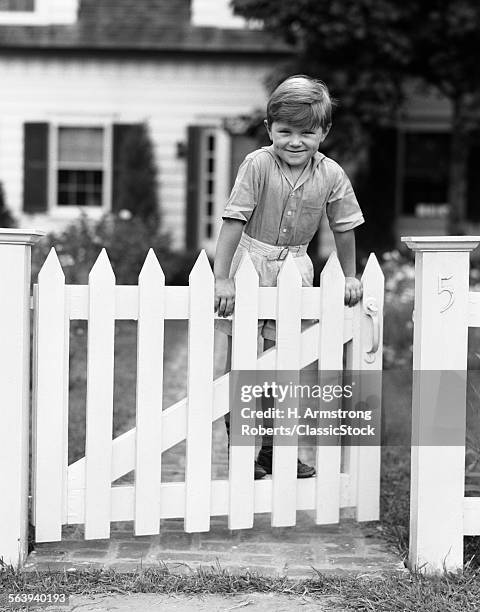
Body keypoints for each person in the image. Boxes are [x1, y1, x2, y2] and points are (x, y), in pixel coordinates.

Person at [214, 74, 364, 480]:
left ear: (324, 132)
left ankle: (275, 451)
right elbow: (233, 219)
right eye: (285, 132)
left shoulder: (331, 174)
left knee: (285, 367)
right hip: (251, 263)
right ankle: (243, 445)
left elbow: (344, 226)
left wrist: (350, 276)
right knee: (244, 364)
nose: (295, 141)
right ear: (269, 129)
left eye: (307, 133)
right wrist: (222, 277)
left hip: (295, 270)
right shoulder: (258, 163)